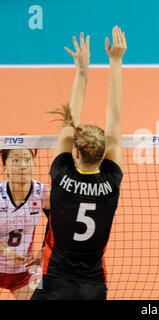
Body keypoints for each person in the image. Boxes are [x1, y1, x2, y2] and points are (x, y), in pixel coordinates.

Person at [31, 26, 126, 300]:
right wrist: (116, 62)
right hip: (93, 284)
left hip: (56, 278)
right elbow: (116, 120)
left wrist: (82, 71)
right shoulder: (110, 181)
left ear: (74, 152)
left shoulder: (61, 174)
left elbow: (68, 122)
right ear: (105, 154)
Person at [0, 147, 50, 299]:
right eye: (16, 160)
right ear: (4, 168)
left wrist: (44, 249)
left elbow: (60, 224)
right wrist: (7, 252)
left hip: (26, 271)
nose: (23, 165)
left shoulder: (43, 193)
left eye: (28, 159)